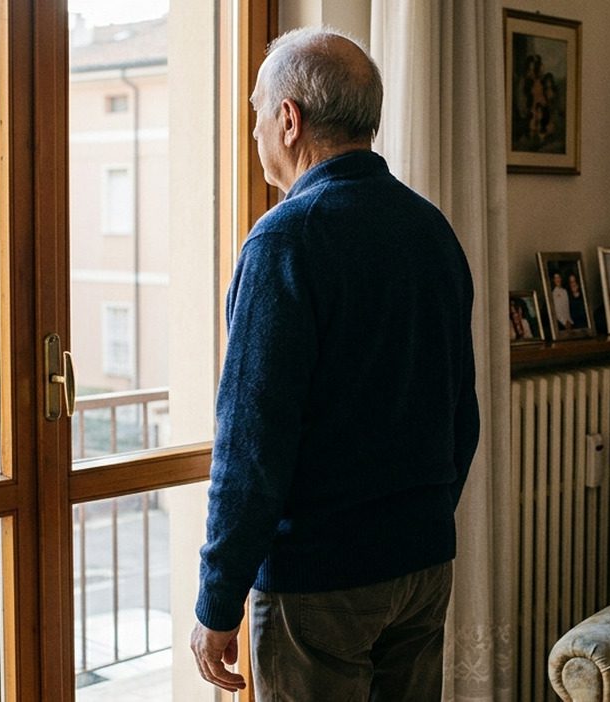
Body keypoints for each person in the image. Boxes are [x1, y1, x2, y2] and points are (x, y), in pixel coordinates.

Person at [190, 27, 479, 701]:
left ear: (289, 120)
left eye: (259, 112)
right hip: (423, 562)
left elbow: (252, 445)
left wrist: (216, 601)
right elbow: (460, 413)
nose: (255, 129)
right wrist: (420, 519)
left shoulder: (285, 241)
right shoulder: (431, 230)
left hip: (319, 583)